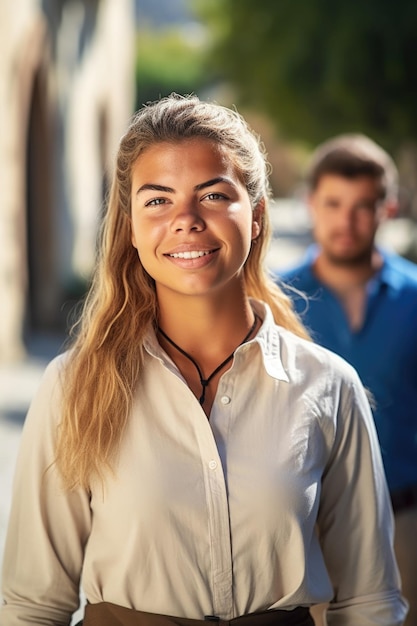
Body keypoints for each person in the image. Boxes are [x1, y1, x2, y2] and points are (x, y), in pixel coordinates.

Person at [0, 96, 407, 626]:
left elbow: (370, 602)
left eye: (212, 195)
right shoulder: (73, 386)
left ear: (257, 217)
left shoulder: (328, 386)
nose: (185, 220)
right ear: (129, 226)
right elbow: (33, 606)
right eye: (157, 201)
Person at [279, 133, 417, 626]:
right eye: (334, 203)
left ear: (389, 207)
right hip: (305, 528)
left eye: (363, 205)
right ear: (311, 203)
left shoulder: (415, 298)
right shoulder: (274, 302)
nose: (346, 220)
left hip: (405, 524)